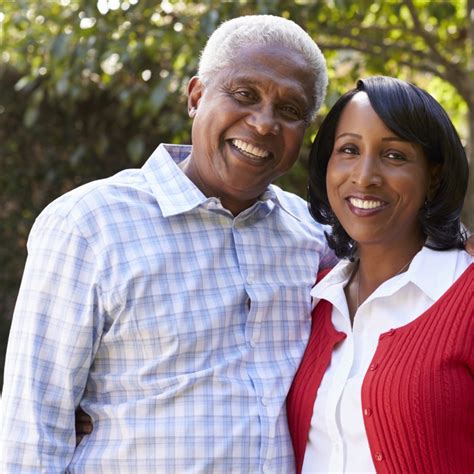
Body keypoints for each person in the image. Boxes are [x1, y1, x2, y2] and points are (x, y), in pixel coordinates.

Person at [0, 15, 335, 472]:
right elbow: (32, 426)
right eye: (244, 94)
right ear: (196, 97)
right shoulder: (88, 226)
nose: (262, 124)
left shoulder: (314, 237)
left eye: (290, 110)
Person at [286, 76, 473, 473]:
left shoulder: (466, 297)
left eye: (394, 156)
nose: (365, 175)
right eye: (349, 150)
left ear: (434, 176)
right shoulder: (315, 297)